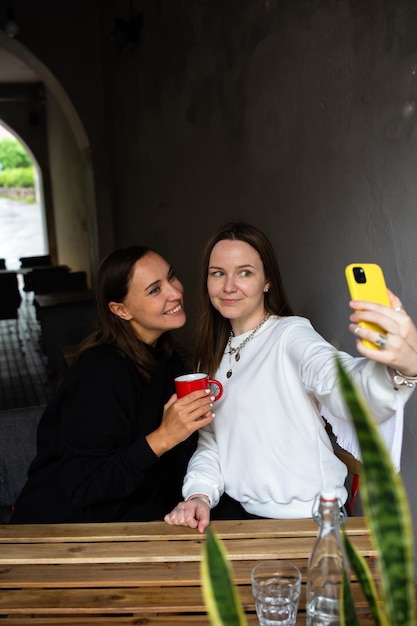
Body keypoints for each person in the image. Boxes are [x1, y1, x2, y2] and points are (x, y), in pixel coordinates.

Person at [165, 222, 417, 532]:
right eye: (218, 273)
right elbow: (213, 443)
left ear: (267, 281)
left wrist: (401, 368)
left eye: (245, 272)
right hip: (243, 519)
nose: (229, 286)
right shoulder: (211, 356)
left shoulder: (290, 334)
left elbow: (335, 378)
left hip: (309, 522)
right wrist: (199, 494)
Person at [10, 246, 214, 523]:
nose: (175, 292)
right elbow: (85, 486)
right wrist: (164, 437)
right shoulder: (100, 372)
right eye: (155, 290)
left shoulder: (166, 357)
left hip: (136, 512)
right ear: (121, 310)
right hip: (63, 531)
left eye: (171, 277)